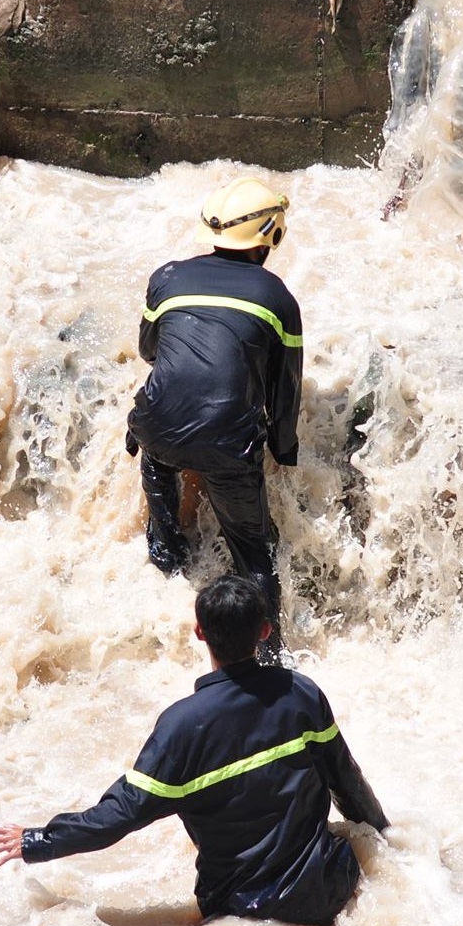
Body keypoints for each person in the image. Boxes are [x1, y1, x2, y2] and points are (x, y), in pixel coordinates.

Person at [0, 575, 388, 926]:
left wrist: (38, 840)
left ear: (200, 632)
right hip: (326, 892)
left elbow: (119, 815)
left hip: (236, 912)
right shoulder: (301, 694)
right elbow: (346, 781)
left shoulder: (182, 728)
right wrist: (388, 844)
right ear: (264, 631)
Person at [125, 176, 303, 658]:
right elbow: (285, 389)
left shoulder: (168, 277)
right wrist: (283, 452)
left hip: (155, 424)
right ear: (271, 234)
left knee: (157, 459)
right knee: (253, 554)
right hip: (227, 447)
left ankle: (165, 556)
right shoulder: (276, 297)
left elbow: (149, 350)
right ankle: (269, 659)